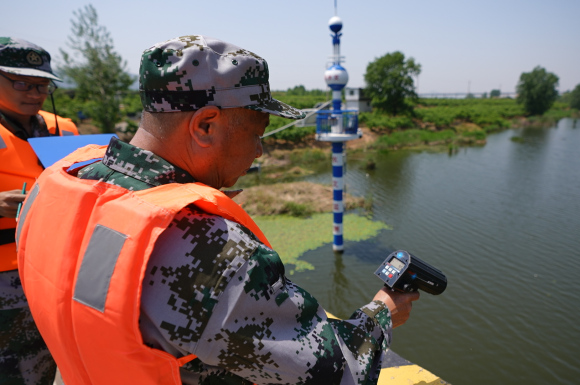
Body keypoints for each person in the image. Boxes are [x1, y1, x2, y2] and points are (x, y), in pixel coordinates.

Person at [16, 35, 419, 385]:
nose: (260, 150)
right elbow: (333, 372)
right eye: (257, 133)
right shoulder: (206, 245)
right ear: (205, 125)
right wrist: (381, 313)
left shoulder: (57, 182)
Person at [0, 37, 79, 384]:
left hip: (55, 272)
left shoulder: (64, 128)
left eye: (42, 84)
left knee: (45, 367)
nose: (34, 92)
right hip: (5, 274)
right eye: (21, 82)